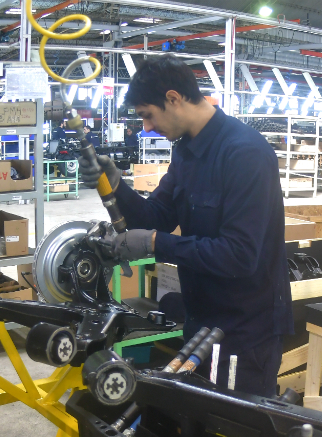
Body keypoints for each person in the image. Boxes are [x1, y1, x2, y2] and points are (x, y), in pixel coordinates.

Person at [82, 55, 293, 398]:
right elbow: (157, 217)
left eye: (147, 115)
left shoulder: (245, 154)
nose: (146, 127)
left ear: (174, 99)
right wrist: (116, 185)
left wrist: (155, 243)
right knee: (200, 432)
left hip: (246, 330)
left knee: (238, 436)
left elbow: (239, 256)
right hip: (203, 318)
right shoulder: (185, 152)